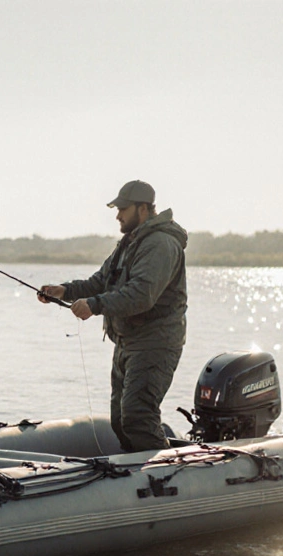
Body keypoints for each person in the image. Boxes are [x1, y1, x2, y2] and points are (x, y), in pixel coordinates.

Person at [39, 180, 189, 452]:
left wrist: (94, 305)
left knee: (137, 416)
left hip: (155, 343)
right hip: (126, 343)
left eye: (123, 209)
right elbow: (101, 281)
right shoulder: (129, 243)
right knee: (120, 421)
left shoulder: (160, 244)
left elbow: (142, 294)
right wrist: (64, 291)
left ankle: (165, 473)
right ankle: (135, 478)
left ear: (142, 209)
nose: (117, 215)